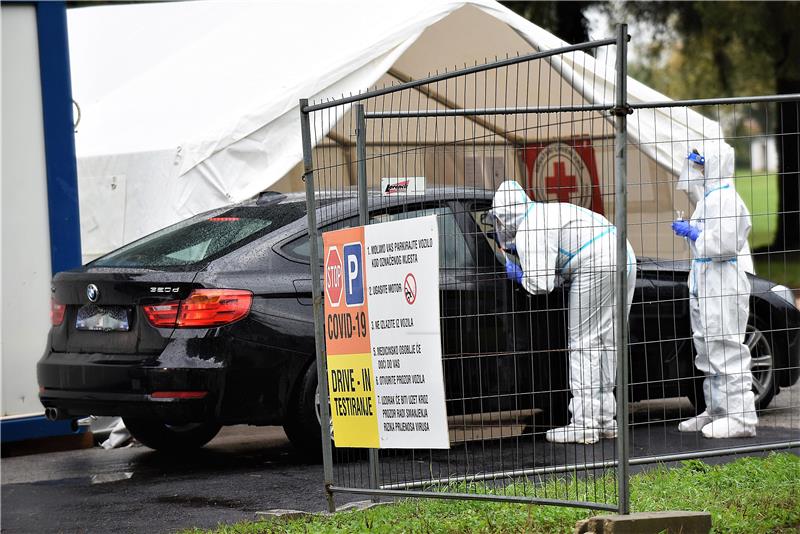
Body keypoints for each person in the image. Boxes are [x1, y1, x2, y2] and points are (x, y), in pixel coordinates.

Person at [490, 180, 636, 444]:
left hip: (596, 264)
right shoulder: (544, 212)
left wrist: (518, 273)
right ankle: (604, 418)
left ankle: (584, 424)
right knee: (607, 343)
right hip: (624, 253)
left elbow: (541, 284)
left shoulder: (530, 227)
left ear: (504, 216)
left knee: (584, 343)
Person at [672, 144, 758, 438]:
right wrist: (691, 231)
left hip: (723, 280)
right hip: (704, 281)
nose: (698, 171)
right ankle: (718, 409)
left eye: (702, 165)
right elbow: (703, 243)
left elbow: (726, 243)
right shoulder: (708, 200)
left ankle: (742, 417)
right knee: (707, 347)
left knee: (727, 346)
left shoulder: (727, 199)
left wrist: (696, 234)